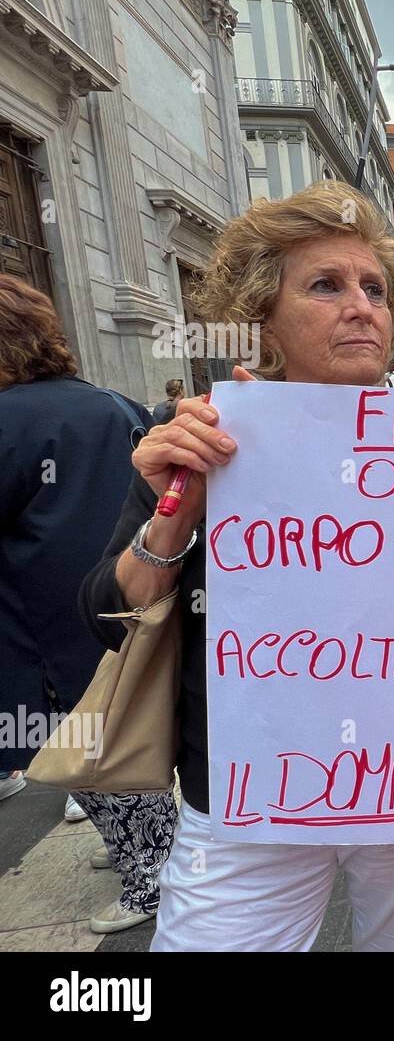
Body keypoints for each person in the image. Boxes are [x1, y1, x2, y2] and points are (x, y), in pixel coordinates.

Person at [79, 180, 394, 950]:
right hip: (249, 794)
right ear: (264, 319)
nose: (362, 305)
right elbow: (105, 613)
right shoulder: (203, 433)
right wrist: (175, 512)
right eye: (326, 284)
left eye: (375, 288)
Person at [0, 273, 176, 934]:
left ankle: (151, 878)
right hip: (128, 605)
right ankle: (144, 856)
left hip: (48, 622)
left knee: (88, 750)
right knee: (122, 741)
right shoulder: (115, 403)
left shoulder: (8, 420)